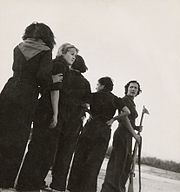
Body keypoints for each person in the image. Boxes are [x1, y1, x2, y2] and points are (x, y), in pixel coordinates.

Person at [16, 43, 79, 191]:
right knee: (44, 150)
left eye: (75, 56)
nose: (73, 58)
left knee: (38, 147)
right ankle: (30, 184)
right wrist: (56, 114)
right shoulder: (60, 66)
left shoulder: (55, 64)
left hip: (43, 109)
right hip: (49, 110)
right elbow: (54, 90)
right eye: (71, 54)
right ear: (62, 52)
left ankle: (27, 183)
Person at [0, 22, 56, 189]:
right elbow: (42, 76)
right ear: (47, 36)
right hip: (27, 94)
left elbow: (14, 68)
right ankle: (5, 179)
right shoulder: (46, 51)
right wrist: (51, 82)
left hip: (9, 90)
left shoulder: (18, 47)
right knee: (18, 137)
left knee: (2, 132)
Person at [67, 77, 140, 192]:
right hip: (104, 130)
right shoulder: (116, 99)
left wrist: (88, 112)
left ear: (102, 85)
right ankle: (88, 189)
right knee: (95, 161)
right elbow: (127, 112)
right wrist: (113, 119)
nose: (97, 87)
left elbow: (80, 102)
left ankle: (74, 187)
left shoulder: (94, 95)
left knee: (80, 156)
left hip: (90, 128)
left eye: (98, 84)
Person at [49, 55, 91, 192]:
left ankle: (40, 179)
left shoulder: (65, 76)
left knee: (50, 149)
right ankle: (58, 185)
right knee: (66, 154)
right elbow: (87, 103)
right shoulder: (86, 83)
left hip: (60, 116)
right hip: (74, 121)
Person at [100, 80, 142, 192]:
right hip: (122, 135)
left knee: (124, 165)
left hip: (128, 136)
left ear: (138, 91)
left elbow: (130, 122)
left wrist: (136, 128)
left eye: (135, 88)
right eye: (131, 87)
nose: (133, 89)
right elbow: (123, 119)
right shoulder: (124, 100)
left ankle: (118, 189)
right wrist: (134, 134)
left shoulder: (132, 102)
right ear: (127, 88)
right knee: (117, 164)